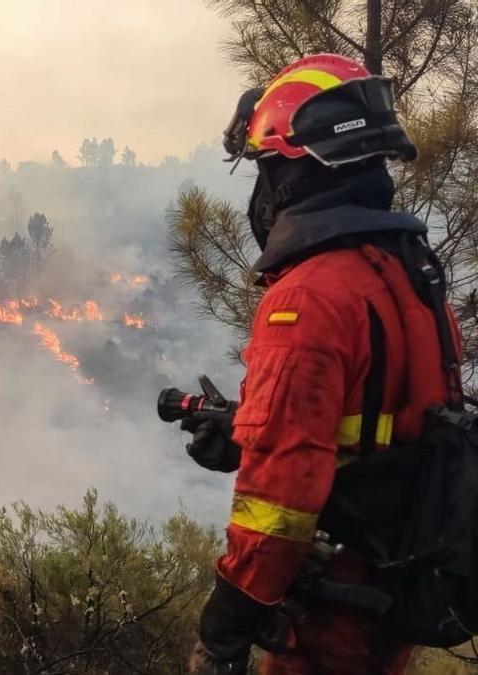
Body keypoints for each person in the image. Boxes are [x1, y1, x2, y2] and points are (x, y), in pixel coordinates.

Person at [182, 54, 460, 674]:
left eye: (268, 168)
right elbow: (378, 426)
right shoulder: (407, 273)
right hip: (389, 597)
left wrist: (225, 628)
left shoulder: (307, 296)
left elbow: (279, 500)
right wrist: (249, 432)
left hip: (330, 613)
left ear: (297, 171)